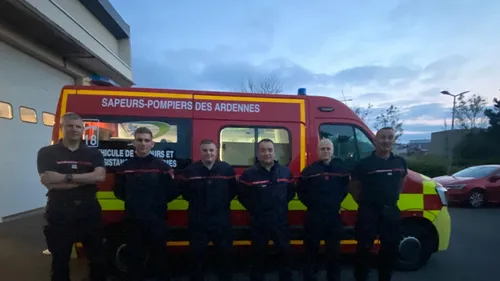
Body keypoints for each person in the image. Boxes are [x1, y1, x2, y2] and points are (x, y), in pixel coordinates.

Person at [36, 112, 107, 281]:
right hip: (60, 212)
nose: (74, 129)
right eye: (69, 126)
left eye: (78, 126)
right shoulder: (47, 152)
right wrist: (86, 179)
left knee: (97, 260)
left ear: (83, 129)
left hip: (88, 212)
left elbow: (100, 177)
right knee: (60, 261)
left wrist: (65, 177)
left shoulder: (93, 153)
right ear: (62, 128)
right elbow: (50, 183)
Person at [114, 127, 180, 281]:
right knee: (134, 260)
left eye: (146, 140)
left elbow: (172, 191)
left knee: (159, 259)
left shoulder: (162, 167)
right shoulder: (125, 167)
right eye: (139, 140)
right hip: (133, 220)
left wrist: (155, 203)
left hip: (156, 220)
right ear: (134, 143)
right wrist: (135, 202)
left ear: (152, 144)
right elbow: (118, 191)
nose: (143, 143)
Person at [350, 127, 408, 281]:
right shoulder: (363, 164)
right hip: (369, 212)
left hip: (390, 212)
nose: (386, 141)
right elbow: (354, 187)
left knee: (390, 250)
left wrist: (391, 198)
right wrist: (365, 203)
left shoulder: (400, 162)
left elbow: (402, 182)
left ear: (394, 140)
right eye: (383, 137)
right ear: (375, 140)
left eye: (390, 137)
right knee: (363, 249)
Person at [238, 138, 296, 281]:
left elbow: (290, 192)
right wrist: (256, 209)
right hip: (259, 222)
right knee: (257, 257)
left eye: (270, 150)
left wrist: (279, 206)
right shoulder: (249, 174)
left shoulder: (285, 172)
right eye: (263, 150)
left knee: (285, 255)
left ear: (275, 153)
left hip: (280, 221)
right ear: (258, 153)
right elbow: (242, 196)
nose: (267, 153)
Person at [180, 139, 238, 281]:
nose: (208, 153)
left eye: (211, 150)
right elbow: (185, 192)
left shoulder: (227, 169)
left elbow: (232, 191)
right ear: (200, 152)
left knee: (225, 257)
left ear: (216, 151)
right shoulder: (190, 171)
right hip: (198, 221)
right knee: (196, 257)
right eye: (205, 150)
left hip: (221, 221)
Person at [297, 138, 350, 281]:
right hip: (314, 216)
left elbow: (345, 188)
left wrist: (335, 202)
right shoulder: (309, 171)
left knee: (334, 252)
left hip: (333, 217)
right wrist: (313, 204)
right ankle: (310, 277)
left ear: (332, 151)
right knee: (310, 251)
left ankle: (333, 277)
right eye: (322, 149)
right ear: (317, 151)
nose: (326, 151)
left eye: (328, 149)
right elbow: (301, 192)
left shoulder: (341, 170)